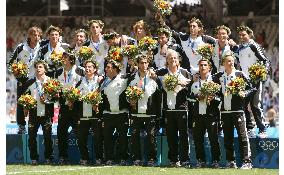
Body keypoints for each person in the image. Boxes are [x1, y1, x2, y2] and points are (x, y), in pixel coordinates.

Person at [213, 52, 254, 169]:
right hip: (225, 112)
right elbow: (214, 92)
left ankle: (247, 161)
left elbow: (251, 88)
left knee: (242, 136)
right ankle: (231, 161)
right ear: (223, 63)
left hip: (238, 111)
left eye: (232, 61)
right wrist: (218, 99)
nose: (231, 63)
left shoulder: (240, 74)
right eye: (228, 61)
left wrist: (244, 93)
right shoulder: (218, 76)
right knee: (227, 138)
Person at [156, 49, 191, 167]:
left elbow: (191, 86)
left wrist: (184, 85)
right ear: (167, 60)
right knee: (171, 136)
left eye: (175, 58)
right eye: (170, 58)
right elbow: (152, 75)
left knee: (183, 136)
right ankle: (173, 160)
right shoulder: (162, 73)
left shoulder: (185, 72)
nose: (173, 60)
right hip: (168, 110)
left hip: (181, 109)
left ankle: (185, 159)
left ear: (178, 60)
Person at [233, 25, 270, 138]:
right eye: (240, 35)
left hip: (255, 79)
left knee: (255, 105)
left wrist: (260, 73)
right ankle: (250, 128)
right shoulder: (240, 48)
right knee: (243, 105)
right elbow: (237, 59)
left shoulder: (254, 46)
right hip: (245, 80)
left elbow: (265, 61)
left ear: (249, 34)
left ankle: (262, 128)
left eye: (244, 34)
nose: (241, 37)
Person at [8, 26, 43, 134]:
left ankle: (34, 124)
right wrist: (17, 72)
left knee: (36, 102)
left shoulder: (42, 47)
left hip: (35, 80)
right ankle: (21, 126)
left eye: (38, 35)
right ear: (29, 35)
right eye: (34, 35)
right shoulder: (21, 47)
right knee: (21, 103)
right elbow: (10, 63)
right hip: (23, 80)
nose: (36, 37)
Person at [127, 54, 161, 166]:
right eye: (141, 62)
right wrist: (130, 101)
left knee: (151, 137)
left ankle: (152, 159)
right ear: (137, 64)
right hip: (136, 114)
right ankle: (137, 158)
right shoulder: (132, 78)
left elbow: (159, 95)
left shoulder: (154, 77)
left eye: (146, 62)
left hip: (150, 113)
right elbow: (127, 94)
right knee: (134, 136)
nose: (144, 65)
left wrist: (157, 113)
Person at [188, 58, 221, 168]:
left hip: (211, 115)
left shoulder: (215, 80)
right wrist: (197, 97)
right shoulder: (194, 81)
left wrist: (213, 97)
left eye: (205, 65)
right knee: (198, 140)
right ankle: (200, 160)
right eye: (201, 65)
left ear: (209, 67)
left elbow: (221, 97)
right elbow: (188, 97)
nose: (202, 67)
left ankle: (216, 161)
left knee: (213, 139)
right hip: (197, 115)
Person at [21, 60, 55, 165]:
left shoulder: (51, 81)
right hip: (33, 114)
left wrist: (47, 101)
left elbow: (56, 98)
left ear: (45, 69)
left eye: (40, 67)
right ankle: (34, 158)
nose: (38, 69)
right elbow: (24, 97)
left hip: (47, 113)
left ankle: (48, 157)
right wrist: (25, 108)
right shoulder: (30, 82)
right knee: (31, 137)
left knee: (47, 137)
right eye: (36, 67)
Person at [100, 60, 129, 165]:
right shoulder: (103, 81)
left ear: (115, 69)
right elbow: (100, 97)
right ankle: (109, 158)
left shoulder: (124, 78)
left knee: (123, 138)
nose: (106, 69)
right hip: (108, 114)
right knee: (107, 138)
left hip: (122, 113)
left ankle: (123, 158)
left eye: (108, 67)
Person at [76, 59, 104, 166]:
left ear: (95, 69)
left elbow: (104, 98)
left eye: (90, 67)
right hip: (83, 115)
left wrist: (99, 108)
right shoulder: (80, 82)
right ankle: (85, 158)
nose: (87, 69)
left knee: (98, 139)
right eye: (86, 67)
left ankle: (99, 158)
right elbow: (76, 98)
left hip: (96, 115)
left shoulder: (100, 81)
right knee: (81, 139)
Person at [56, 50, 81, 165]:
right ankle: (62, 156)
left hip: (76, 107)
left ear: (71, 59)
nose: (63, 60)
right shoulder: (59, 72)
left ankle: (83, 156)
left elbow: (83, 87)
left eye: (65, 58)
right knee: (61, 132)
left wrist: (74, 100)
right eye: (63, 58)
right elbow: (57, 88)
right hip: (64, 107)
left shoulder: (79, 71)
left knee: (80, 133)